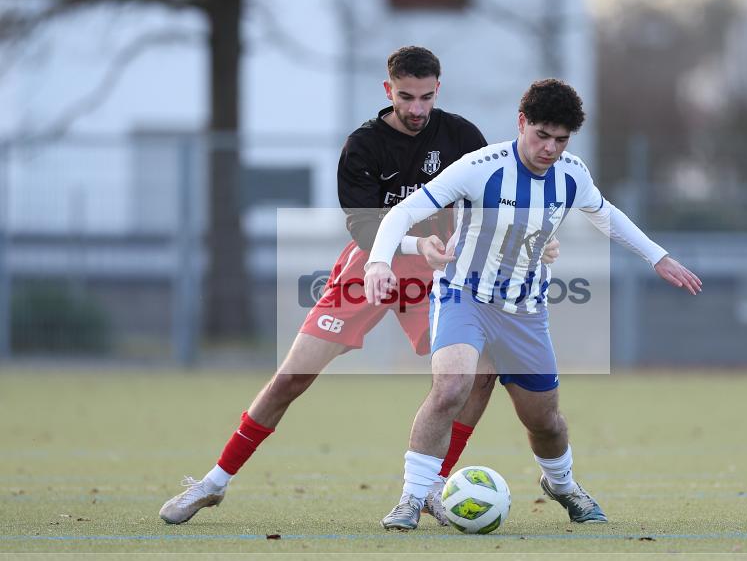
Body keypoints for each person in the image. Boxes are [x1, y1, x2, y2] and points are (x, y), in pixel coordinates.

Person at [159, 46, 559, 525]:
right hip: (369, 267)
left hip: (441, 274)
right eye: (406, 97)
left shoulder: (461, 136)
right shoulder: (363, 145)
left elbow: (496, 200)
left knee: (477, 373)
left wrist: (534, 241)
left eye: (426, 97)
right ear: (388, 90)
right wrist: (410, 249)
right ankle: (213, 483)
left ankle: (432, 488)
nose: (416, 109)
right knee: (292, 377)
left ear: (438, 90)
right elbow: (363, 227)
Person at [364, 78, 702, 530]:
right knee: (450, 389)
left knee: (545, 422)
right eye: (542, 135)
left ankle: (561, 485)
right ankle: (412, 497)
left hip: (525, 311)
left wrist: (657, 256)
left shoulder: (572, 174)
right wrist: (378, 263)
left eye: (560, 139)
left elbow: (607, 216)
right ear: (521, 123)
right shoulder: (479, 167)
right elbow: (404, 211)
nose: (550, 148)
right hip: (464, 295)